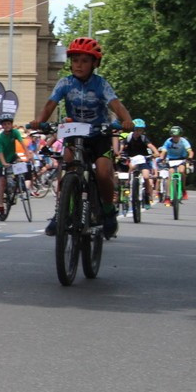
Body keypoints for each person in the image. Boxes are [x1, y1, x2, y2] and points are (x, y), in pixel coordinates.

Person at [31, 36, 133, 239]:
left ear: (95, 63)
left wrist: (127, 120)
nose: (78, 65)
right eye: (75, 60)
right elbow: (50, 104)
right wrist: (39, 121)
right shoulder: (65, 83)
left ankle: (107, 210)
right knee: (67, 166)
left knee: (104, 172)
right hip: (75, 133)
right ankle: (62, 212)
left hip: (99, 134)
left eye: (85, 61)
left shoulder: (101, 84)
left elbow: (116, 105)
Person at [0, 114, 31, 214]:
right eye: (4, 124)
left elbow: (22, 144)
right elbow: (0, 152)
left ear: (11, 124)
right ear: (2, 125)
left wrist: (28, 156)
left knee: (19, 172)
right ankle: (0, 203)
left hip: (13, 157)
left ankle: (16, 188)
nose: (7, 126)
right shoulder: (0, 138)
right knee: (2, 182)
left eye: (9, 124)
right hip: (2, 161)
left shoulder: (15, 132)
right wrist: (4, 163)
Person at [119, 118, 158, 209]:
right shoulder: (128, 137)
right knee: (131, 168)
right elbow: (122, 146)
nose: (138, 132)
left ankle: (147, 196)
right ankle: (127, 187)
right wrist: (120, 152)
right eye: (137, 130)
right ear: (133, 129)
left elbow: (151, 146)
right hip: (132, 159)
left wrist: (156, 152)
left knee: (146, 177)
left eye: (140, 130)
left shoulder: (144, 138)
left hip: (143, 159)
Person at [159, 125, 194, 202]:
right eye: (174, 136)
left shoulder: (184, 141)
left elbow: (190, 151)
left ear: (180, 135)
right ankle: (168, 196)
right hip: (171, 159)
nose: (175, 138)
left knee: (181, 171)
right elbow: (163, 151)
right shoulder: (168, 141)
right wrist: (161, 158)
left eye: (177, 136)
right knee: (170, 174)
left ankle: (183, 189)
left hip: (181, 159)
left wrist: (190, 157)